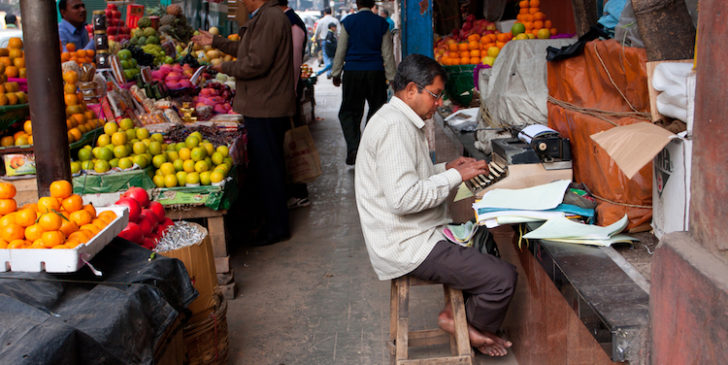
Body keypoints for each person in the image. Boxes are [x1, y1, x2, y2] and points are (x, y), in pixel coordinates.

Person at [355, 54, 517, 357]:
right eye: (436, 94)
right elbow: (403, 199)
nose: (439, 103)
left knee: (481, 246)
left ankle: (464, 319)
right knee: (503, 277)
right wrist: (456, 175)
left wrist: (446, 168)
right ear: (412, 89)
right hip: (407, 244)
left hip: (414, 233)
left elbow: (408, 179)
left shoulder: (400, 120)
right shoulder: (394, 128)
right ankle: (461, 322)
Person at [192, 0, 295, 246]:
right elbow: (248, 50)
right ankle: (272, 222)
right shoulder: (264, 17)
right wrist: (215, 42)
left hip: (266, 106)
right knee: (267, 167)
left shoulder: (270, 18)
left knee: (269, 169)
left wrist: (223, 66)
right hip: (262, 104)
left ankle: (276, 228)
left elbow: (256, 62)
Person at [331, 0, 396, 165]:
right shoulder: (381, 23)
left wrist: (336, 73)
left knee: (349, 112)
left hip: (353, 73)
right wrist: (392, 78)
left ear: (357, 4)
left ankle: (354, 148)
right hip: (376, 73)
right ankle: (369, 151)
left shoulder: (348, 22)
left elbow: (341, 50)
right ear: (373, 4)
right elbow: (387, 54)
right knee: (377, 112)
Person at [276, 0, 311, 209]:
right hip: (286, 96)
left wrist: (290, 95)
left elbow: (294, 64)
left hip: (289, 97)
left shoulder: (293, 24)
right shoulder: (286, 22)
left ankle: (299, 192)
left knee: (292, 146)